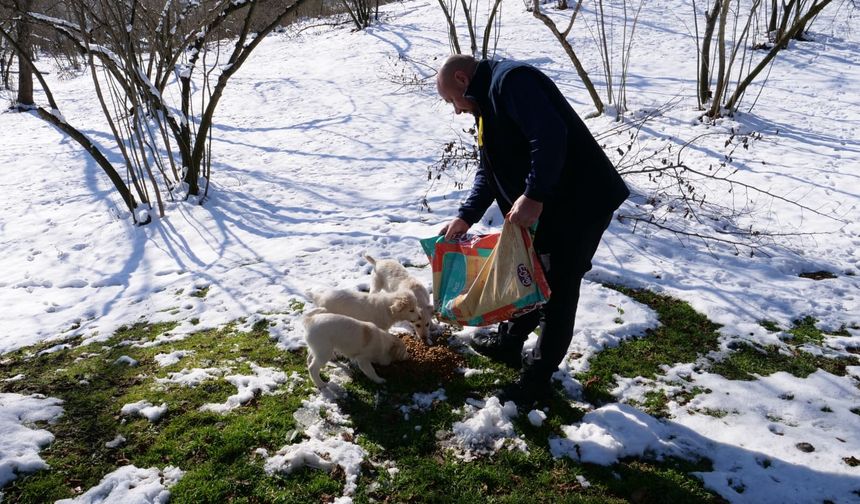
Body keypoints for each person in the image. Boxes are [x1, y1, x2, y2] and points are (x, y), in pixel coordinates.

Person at [435, 54, 630, 406]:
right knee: (529, 271)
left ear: (462, 79)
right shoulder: (486, 102)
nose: (456, 110)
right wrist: (466, 216)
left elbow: (550, 135)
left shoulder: (512, 81)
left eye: (452, 100)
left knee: (557, 288)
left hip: (581, 203)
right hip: (550, 207)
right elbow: (489, 169)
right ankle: (509, 343)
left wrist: (535, 194)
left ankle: (538, 379)